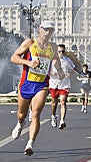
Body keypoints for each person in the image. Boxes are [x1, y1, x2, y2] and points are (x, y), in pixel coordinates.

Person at [10, 20, 65, 156]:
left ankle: (30, 144)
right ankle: (20, 123)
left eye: (50, 31)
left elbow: (56, 60)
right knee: (22, 114)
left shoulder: (53, 47)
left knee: (35, 114)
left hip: (42, 85)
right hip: (26, 83)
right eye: (45, 29)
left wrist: (59, 70)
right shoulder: (30, 43)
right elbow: (14, 57)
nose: (47, 33)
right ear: (39, 29)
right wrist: (28, 62)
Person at [49, 44, 76, 129]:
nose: (61, 53)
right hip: (54, 83)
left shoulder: (67, 60)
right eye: (59, 51)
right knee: (54, 103)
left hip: (64, 84)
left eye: (62, 51)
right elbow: (47, 71)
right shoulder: (52, 60)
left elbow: (73, 70)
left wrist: (69, 74)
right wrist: (52, 73)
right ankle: (53, 116)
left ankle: (62, 121)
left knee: (63, 102)